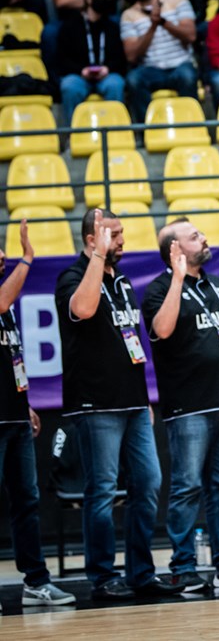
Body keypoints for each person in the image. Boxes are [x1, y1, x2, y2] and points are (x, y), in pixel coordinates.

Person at [55, 209, 183, 602]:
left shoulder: (124, 282)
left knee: (148, 484)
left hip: (132, 403)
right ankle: (102, 574)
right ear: (93, 240)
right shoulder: (73, 278)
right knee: (102, 491)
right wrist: (97, 257)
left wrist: (143, 399)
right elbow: (84, 309)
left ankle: (141, 572)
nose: (122, 241)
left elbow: (133, 345)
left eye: (123, 233)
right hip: (95, 405)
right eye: (113, 234)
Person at [141, 219, 219, 592]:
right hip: (188, 407)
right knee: (187, 488)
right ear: (175, 249)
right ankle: (183, 566)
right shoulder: (158, 289)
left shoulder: (217, 286)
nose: (204, 239)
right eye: (194, 237)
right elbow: (161, 330)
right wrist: (177, 278)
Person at [0, 222, 77, 611]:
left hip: (13, 416)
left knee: (27, 502)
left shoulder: (7, 312)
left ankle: (36, 582)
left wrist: (24, 402)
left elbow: (10, 360)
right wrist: (28, 256)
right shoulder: (1, 301)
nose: (1, 255)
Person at [121, 0, 199, 123]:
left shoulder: (178, 1)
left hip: (180, 64)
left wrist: (163, 22)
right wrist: (152, 26)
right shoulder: (128, 15)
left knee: (187, 77)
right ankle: (147, 132)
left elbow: (191, 36)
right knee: (133, 80)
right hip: (151, 69)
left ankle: (191, 127)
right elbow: (131, 56)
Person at [56, 0, 128, 123]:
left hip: (106, 74)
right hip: (79, 75)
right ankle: (74, 135)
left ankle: (116, 131)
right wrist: (81, 70)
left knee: (115, 84)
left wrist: (108, 69)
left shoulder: (113, 27)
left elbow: (121, 58)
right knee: (69, 86)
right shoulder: (70, 26)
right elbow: (62, 59)